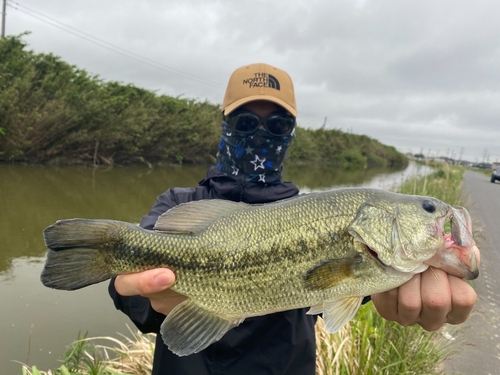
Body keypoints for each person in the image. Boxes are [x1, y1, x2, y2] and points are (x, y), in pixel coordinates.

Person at [109, 63, 478, 375]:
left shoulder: (321, 215)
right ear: (225, 123)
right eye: (246, 121)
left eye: (277, 126)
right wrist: (146, 297)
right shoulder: (179, 205)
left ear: (291, 134)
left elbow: (346, 285)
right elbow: (126, 293)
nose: (260, 134)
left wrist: (396, 288)